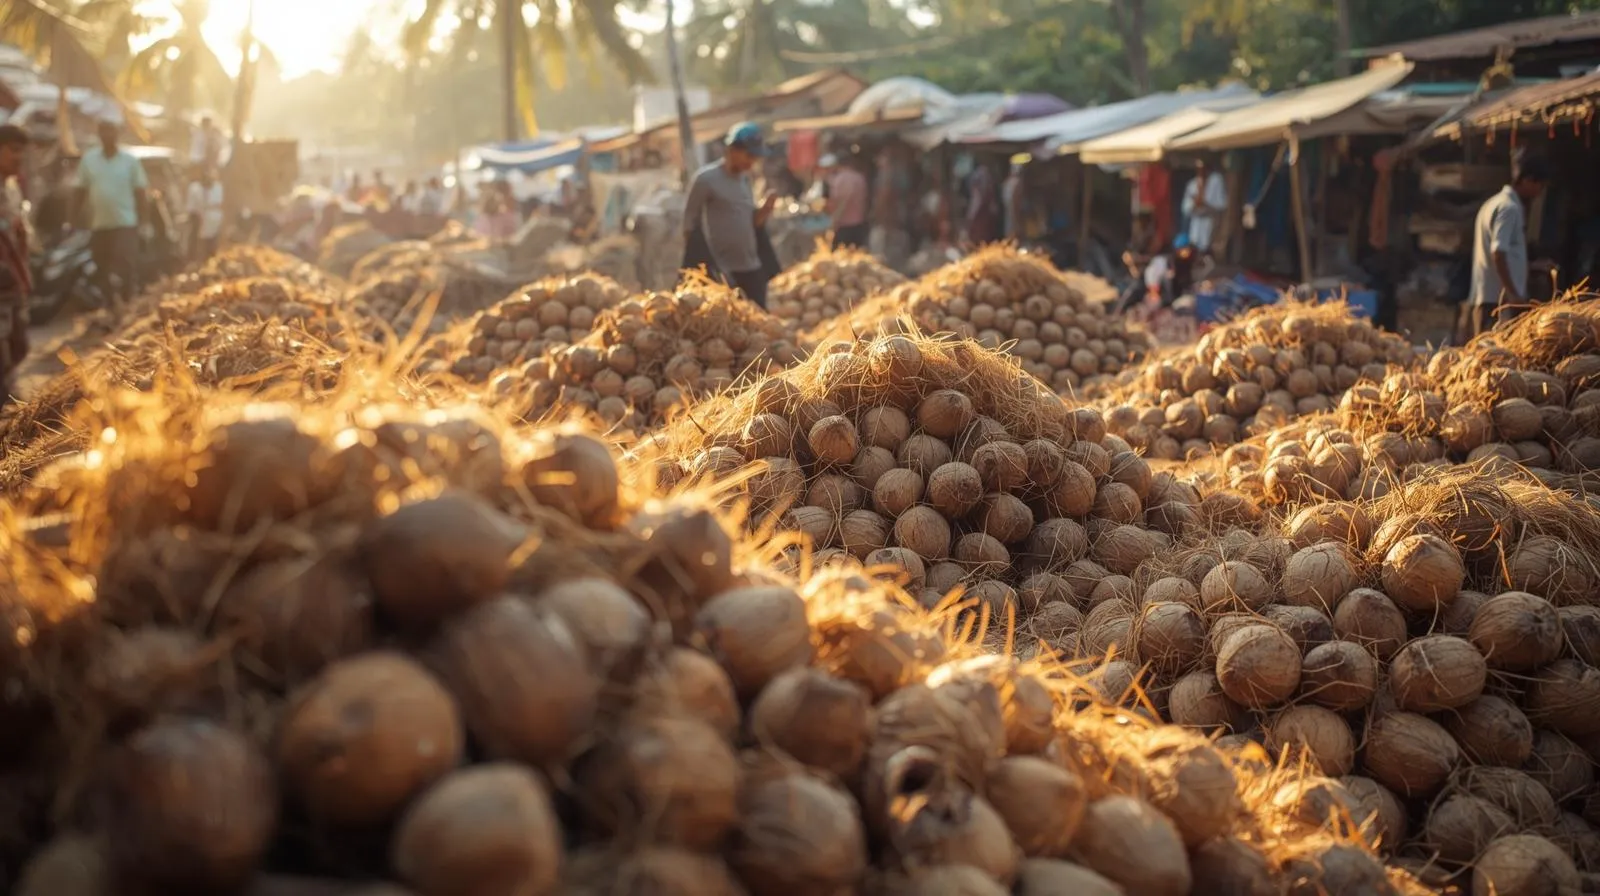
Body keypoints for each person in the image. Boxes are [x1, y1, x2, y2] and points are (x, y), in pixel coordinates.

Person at [683, 121, 777, 306]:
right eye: (749, 155)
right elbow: (689, 224)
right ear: (732, 149)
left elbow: (753, 224)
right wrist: (706, 266)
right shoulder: (706, 180)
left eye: (755, 157)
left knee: (759, 324)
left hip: (750, 267)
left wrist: (765, 210)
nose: (752, 161)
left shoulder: (745, 181)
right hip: (723, 271)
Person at [1466, 154, 1551, 338]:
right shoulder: (1509, 208)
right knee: (1494, 359)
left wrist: (1531, 266)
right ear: (1528, 180)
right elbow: (1498, 252)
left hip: (1488, 297)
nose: (1539, 192)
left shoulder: (1493, 203)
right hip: (1498, 302)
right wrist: (1513, 293)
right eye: (1540, 186)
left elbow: (1503, 254)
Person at [76, 120, 148, 309]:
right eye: (104, 132)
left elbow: (141, 192)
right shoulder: (89, 160)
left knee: (126, 264)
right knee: (102, 266)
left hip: (125, 222)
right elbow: (80, 190)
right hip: (99, 223)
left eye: (111, 131)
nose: (108, 136)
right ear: (99, 135)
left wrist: (143, 220)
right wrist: (73, 218)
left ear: (118, 134)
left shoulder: (130, 161)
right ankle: (110, 305)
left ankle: (129, 303)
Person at [0, 125, 31, 401]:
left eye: (22, 151)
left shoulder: (11, 187)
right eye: (13, 150)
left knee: (19, 345)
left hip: (12, 281)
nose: (18, 156)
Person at [821, 153, 868, 250]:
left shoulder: (840, 179)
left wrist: (834, 221)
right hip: (859, 224)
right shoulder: (860, 178)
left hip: (843, 225)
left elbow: (841, 202)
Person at [1181, 158, 1227, 253]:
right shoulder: (1192, 184)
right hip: (1196, 222)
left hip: (1211, 221)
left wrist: (1205, 204)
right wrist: (1195, 203)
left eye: (1203, 168)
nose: (1201, 171)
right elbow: (1185, 208)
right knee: (1194, 247)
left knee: (1208, 249)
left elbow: (1221, 205)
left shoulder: (1216, 181)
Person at [186, 166, 224, 264]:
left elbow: (219, 204)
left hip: (213, 220)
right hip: (198, 218)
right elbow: (192, 207)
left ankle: (211, 261)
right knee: (196, 243)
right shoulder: (194, 188)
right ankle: (193, 261)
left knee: (212, 243)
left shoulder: (218, 188)